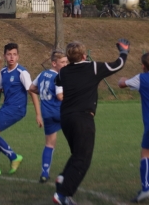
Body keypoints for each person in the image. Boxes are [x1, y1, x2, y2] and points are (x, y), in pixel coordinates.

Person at [53, 38, 130, 205]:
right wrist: (124, 51)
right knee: (83, 159)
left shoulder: (64, 72)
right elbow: (118, 65)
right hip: (83, 118)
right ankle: (63, 194)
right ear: (83, 55)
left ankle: (62, 179)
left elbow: (57, 81)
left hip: (66, 118)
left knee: (77, 154)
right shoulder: (93, 67)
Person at [0, 43, 42, 177]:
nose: (12, 57)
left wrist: (38, 114)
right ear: (4, 56)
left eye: (14, 54)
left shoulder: (22, 73)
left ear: (18, 56)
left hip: (17, 109)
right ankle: (13, 157)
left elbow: (32, 92)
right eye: (9, 54)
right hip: (6, 107)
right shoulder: (3, 72)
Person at [118, 51, 149, 203]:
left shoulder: (141, 78)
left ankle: (146, 189)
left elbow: (122, 84)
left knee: (146, 153)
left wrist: (123, 79)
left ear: (143, 66)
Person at [29, 51, 68, 183]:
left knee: (49, 144)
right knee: (76, 140)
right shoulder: (59, 77)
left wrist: (44, 93)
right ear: (54, 63)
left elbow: (31, 88)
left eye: (66, 62)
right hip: (60, 112)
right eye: (62, 62)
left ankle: (45, 173)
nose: (65, 64)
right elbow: (60, 96)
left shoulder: (42, 74)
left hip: (47, 113)